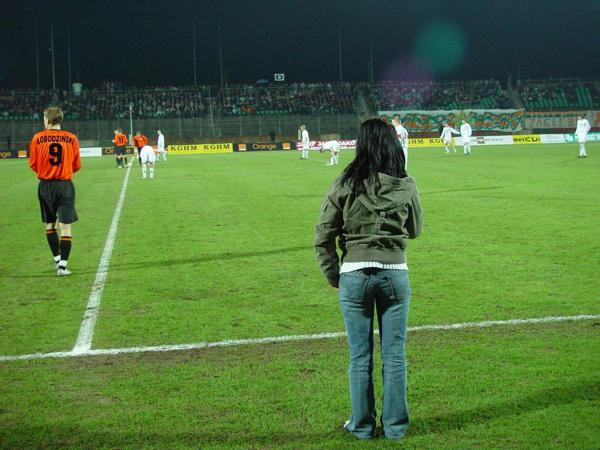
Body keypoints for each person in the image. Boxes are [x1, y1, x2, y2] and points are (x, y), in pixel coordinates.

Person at [314, 118, 422, 440]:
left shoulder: (345, 182)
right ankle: (395, 427)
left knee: (360, 356)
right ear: (393, 144)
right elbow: (415, 230)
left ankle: (361, 426)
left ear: (361, 145)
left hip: (355, 275)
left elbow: (323, 233)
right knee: (395, 355)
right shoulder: (405, 184)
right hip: (395, 274)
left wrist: (333, 274)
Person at [29, 106, 81, 276]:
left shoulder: (38, 138)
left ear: (49, 120)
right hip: (65, 186)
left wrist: (46, 172)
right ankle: (63, 267)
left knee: (50, 224)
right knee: (65, 227)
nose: (43, 121)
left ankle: (57, 259)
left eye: (44, 119)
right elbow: (76, 165)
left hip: (46, 186)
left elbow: (33, 164)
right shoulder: (71, 138)